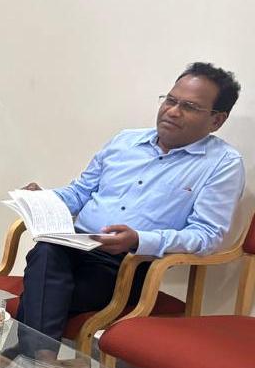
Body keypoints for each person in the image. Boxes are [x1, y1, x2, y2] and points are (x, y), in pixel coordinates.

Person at [15, 62, 246, 341]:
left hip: (127, 265)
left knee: (41, 290)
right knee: (47, 251)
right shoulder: (124, 142)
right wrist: (44, 198)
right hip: (73, 245)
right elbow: (79, 192)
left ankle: (31, 356)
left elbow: (206, 235)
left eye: (189, 107)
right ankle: (40, 359)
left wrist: (138, 239)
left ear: (216, 120)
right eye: (170, 100)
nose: (173, 111)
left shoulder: (223, 164)